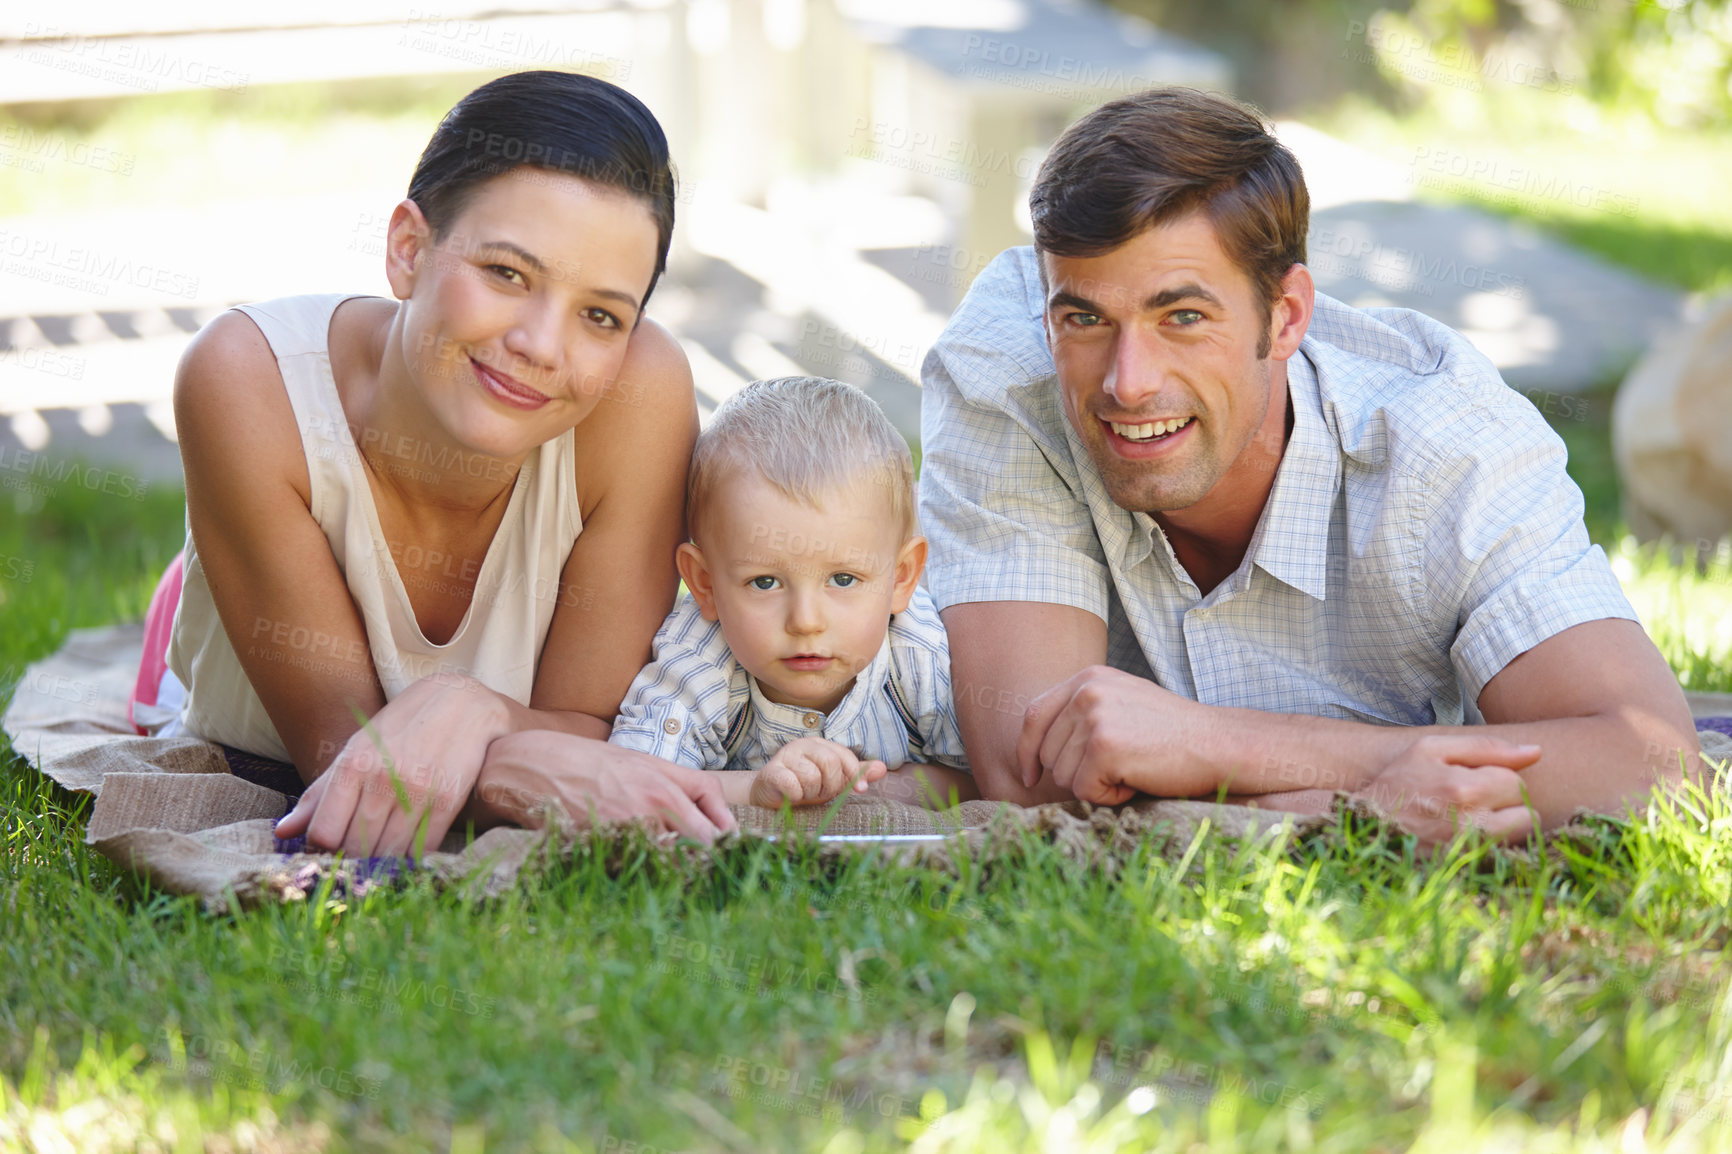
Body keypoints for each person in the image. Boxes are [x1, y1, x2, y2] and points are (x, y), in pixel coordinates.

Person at [918, 87, 1699, 844]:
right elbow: (1034, 785)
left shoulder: (1443, 441)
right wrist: (1377, 790)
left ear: (1287, 315)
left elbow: (1655, 763)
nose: (1128, 381)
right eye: (1084, 318)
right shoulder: (1012, 373)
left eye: (1182, 316)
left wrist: (1209, 743)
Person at [132, 71, 735, 855]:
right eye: (507, 273)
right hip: (242, 695)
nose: (541, 347)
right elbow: (357, 767)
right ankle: (179, 602)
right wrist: (520, 747)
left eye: (600, 315)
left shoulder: (640, 392)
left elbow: (593, 727)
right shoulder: (247, 379)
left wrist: (470, 707)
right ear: (408, 248)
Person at [609, 377, 977, 809]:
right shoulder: (698, 658)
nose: (805, 620)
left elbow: (993, 780)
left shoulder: (924, 657)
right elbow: (631, 780)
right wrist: (755, 790)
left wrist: (878, 791)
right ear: (704, 583)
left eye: (842, 579)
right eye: (765, 582)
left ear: (901, 578)